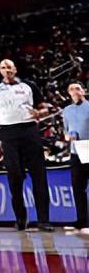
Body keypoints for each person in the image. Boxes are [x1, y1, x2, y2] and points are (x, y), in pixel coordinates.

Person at [0, 58, 53, 231]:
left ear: (15, 69)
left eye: (9, 66)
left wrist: (40, 113)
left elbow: (45, 108)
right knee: (15, 177)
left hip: (30, 130)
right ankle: (21, 218)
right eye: (2, 67)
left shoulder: (29, 86)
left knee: (39, 176)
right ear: (0, 70)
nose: (6, 69)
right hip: (8, 133)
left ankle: (44, 220)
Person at [63, 82, 89, 233]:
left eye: (78, 88)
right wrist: (68, 136)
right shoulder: (66, 110)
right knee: (78, 188)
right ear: (68, 93)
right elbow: (65, 131)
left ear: (83, 91)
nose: (75, 91)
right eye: (71, 89)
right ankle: (82, 221)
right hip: (76, 151)